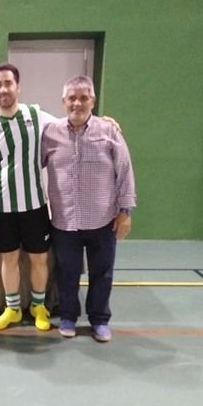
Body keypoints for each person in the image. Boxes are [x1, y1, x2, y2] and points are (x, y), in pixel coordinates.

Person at [42, 75, 136, 342]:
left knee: (102, 273)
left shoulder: (109, 131)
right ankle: (68, 316)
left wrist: (125, 211)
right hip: (64, 220)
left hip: (103, 220)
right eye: (72, 98)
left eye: (84, 98)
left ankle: (99, 319)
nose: (77, 103)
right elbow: (28, 163)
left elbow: (125, 170)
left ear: (93, 101)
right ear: (63, 101)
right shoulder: (50, 133)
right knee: (67, 272)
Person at [0, 63, 55, 332]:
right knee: (9, 259)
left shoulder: (36, 115)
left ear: (18, 86)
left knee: (39, 259)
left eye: (8, 83)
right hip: (2, 207)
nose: (3, 89)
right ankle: (13, 309)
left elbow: (69, 125)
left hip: (35, 204)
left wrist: (102, 122)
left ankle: (38, 306)